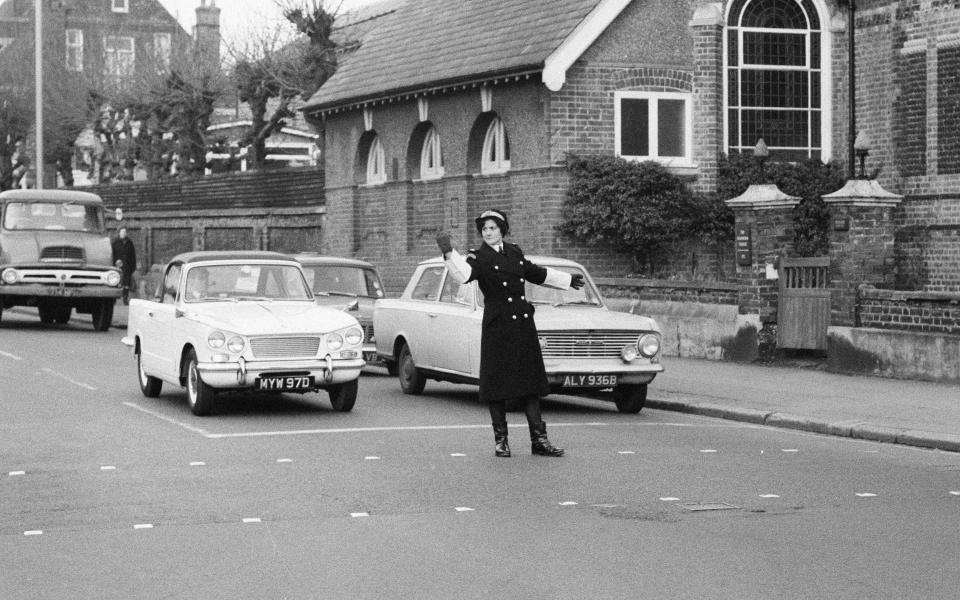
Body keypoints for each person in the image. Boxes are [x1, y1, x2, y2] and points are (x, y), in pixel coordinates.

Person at [437, 209, 585, 457]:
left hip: (522, 325)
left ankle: (539, 440)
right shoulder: (478, 257)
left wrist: (567, 280)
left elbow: (535, 272)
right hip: (498, 326)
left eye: (493, 228)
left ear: (502, 230)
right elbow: (463, 275)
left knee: (530, 384)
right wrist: (449, 253)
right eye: (484, 229)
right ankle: (501, 441)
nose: (488, 232)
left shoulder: (514, 251)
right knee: (497, 385)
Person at [111, 227, 137, 304]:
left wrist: (133, 266)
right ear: (119, 233)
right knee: (116, 282)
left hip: (127, 267)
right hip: (117, 267)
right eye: (122, 232)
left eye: (125, 232)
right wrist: (113, 264)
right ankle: (114, 299)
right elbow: (112, 255)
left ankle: (125, 299)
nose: (123, 233)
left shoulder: (130, 243)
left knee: (126, 284)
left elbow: (133, 255)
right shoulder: (115, 243)